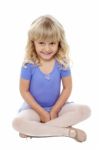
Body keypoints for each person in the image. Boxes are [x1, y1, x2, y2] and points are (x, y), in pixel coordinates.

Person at [12, 15, 91, 142]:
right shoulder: (29, 64)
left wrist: (54, 110)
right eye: (42, 43)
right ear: (33, 42)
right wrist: (42, 113)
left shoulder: (62, 62)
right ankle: (67, 132)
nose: (47, 48)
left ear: (59, 43)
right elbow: (24, 91)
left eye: (52, 43)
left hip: (58, 107)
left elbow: (67, 88)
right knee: (16, 122)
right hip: (34, 110)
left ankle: (37, 130)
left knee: (86, 110)